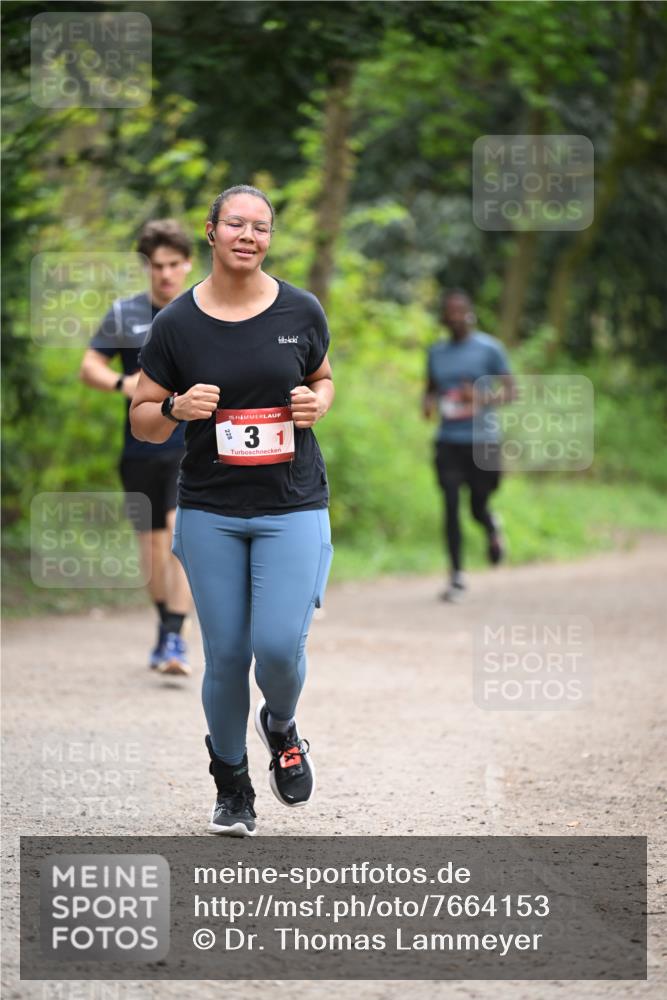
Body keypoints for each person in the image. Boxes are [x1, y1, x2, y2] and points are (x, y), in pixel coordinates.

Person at [129, 184, 335, 837]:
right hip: (212, 508)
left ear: (269, 238)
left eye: (261, 227)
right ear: (211, 232)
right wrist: (173, 409)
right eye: (236, 224)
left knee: (278, 648)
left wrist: (317, 403)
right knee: (225, 656)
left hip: (292, 503)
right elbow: (141, 417)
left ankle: (279, 724)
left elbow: (323, 378)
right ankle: (232, 785)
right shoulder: (176, 325)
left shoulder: (301, 311)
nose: (249, 235)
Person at [79, 220, 194, 674]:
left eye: (173, 265)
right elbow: (89, 366)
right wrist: (123, 383)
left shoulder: (203, 310)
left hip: (193, 449)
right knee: (151, 551)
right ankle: (166, 627)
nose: (165, 274)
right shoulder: (126, 313)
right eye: (156, 266)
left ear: (187, 264)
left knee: (180, 539)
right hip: (141, 448)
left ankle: (174, 639)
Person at [423, 289, 515, 602]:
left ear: (470, 313)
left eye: (460, 311)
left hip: (483, 441)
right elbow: (431, 389)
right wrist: (428, 403)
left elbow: (512, 392)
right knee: (449, 506)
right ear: (443, 317)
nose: (455, 317)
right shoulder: (436, 352)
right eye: (449, 312)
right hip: (449, 441)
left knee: (477, 506)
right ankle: (457, 576)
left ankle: (491, 526)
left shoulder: (490, 349)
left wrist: (480, 398)